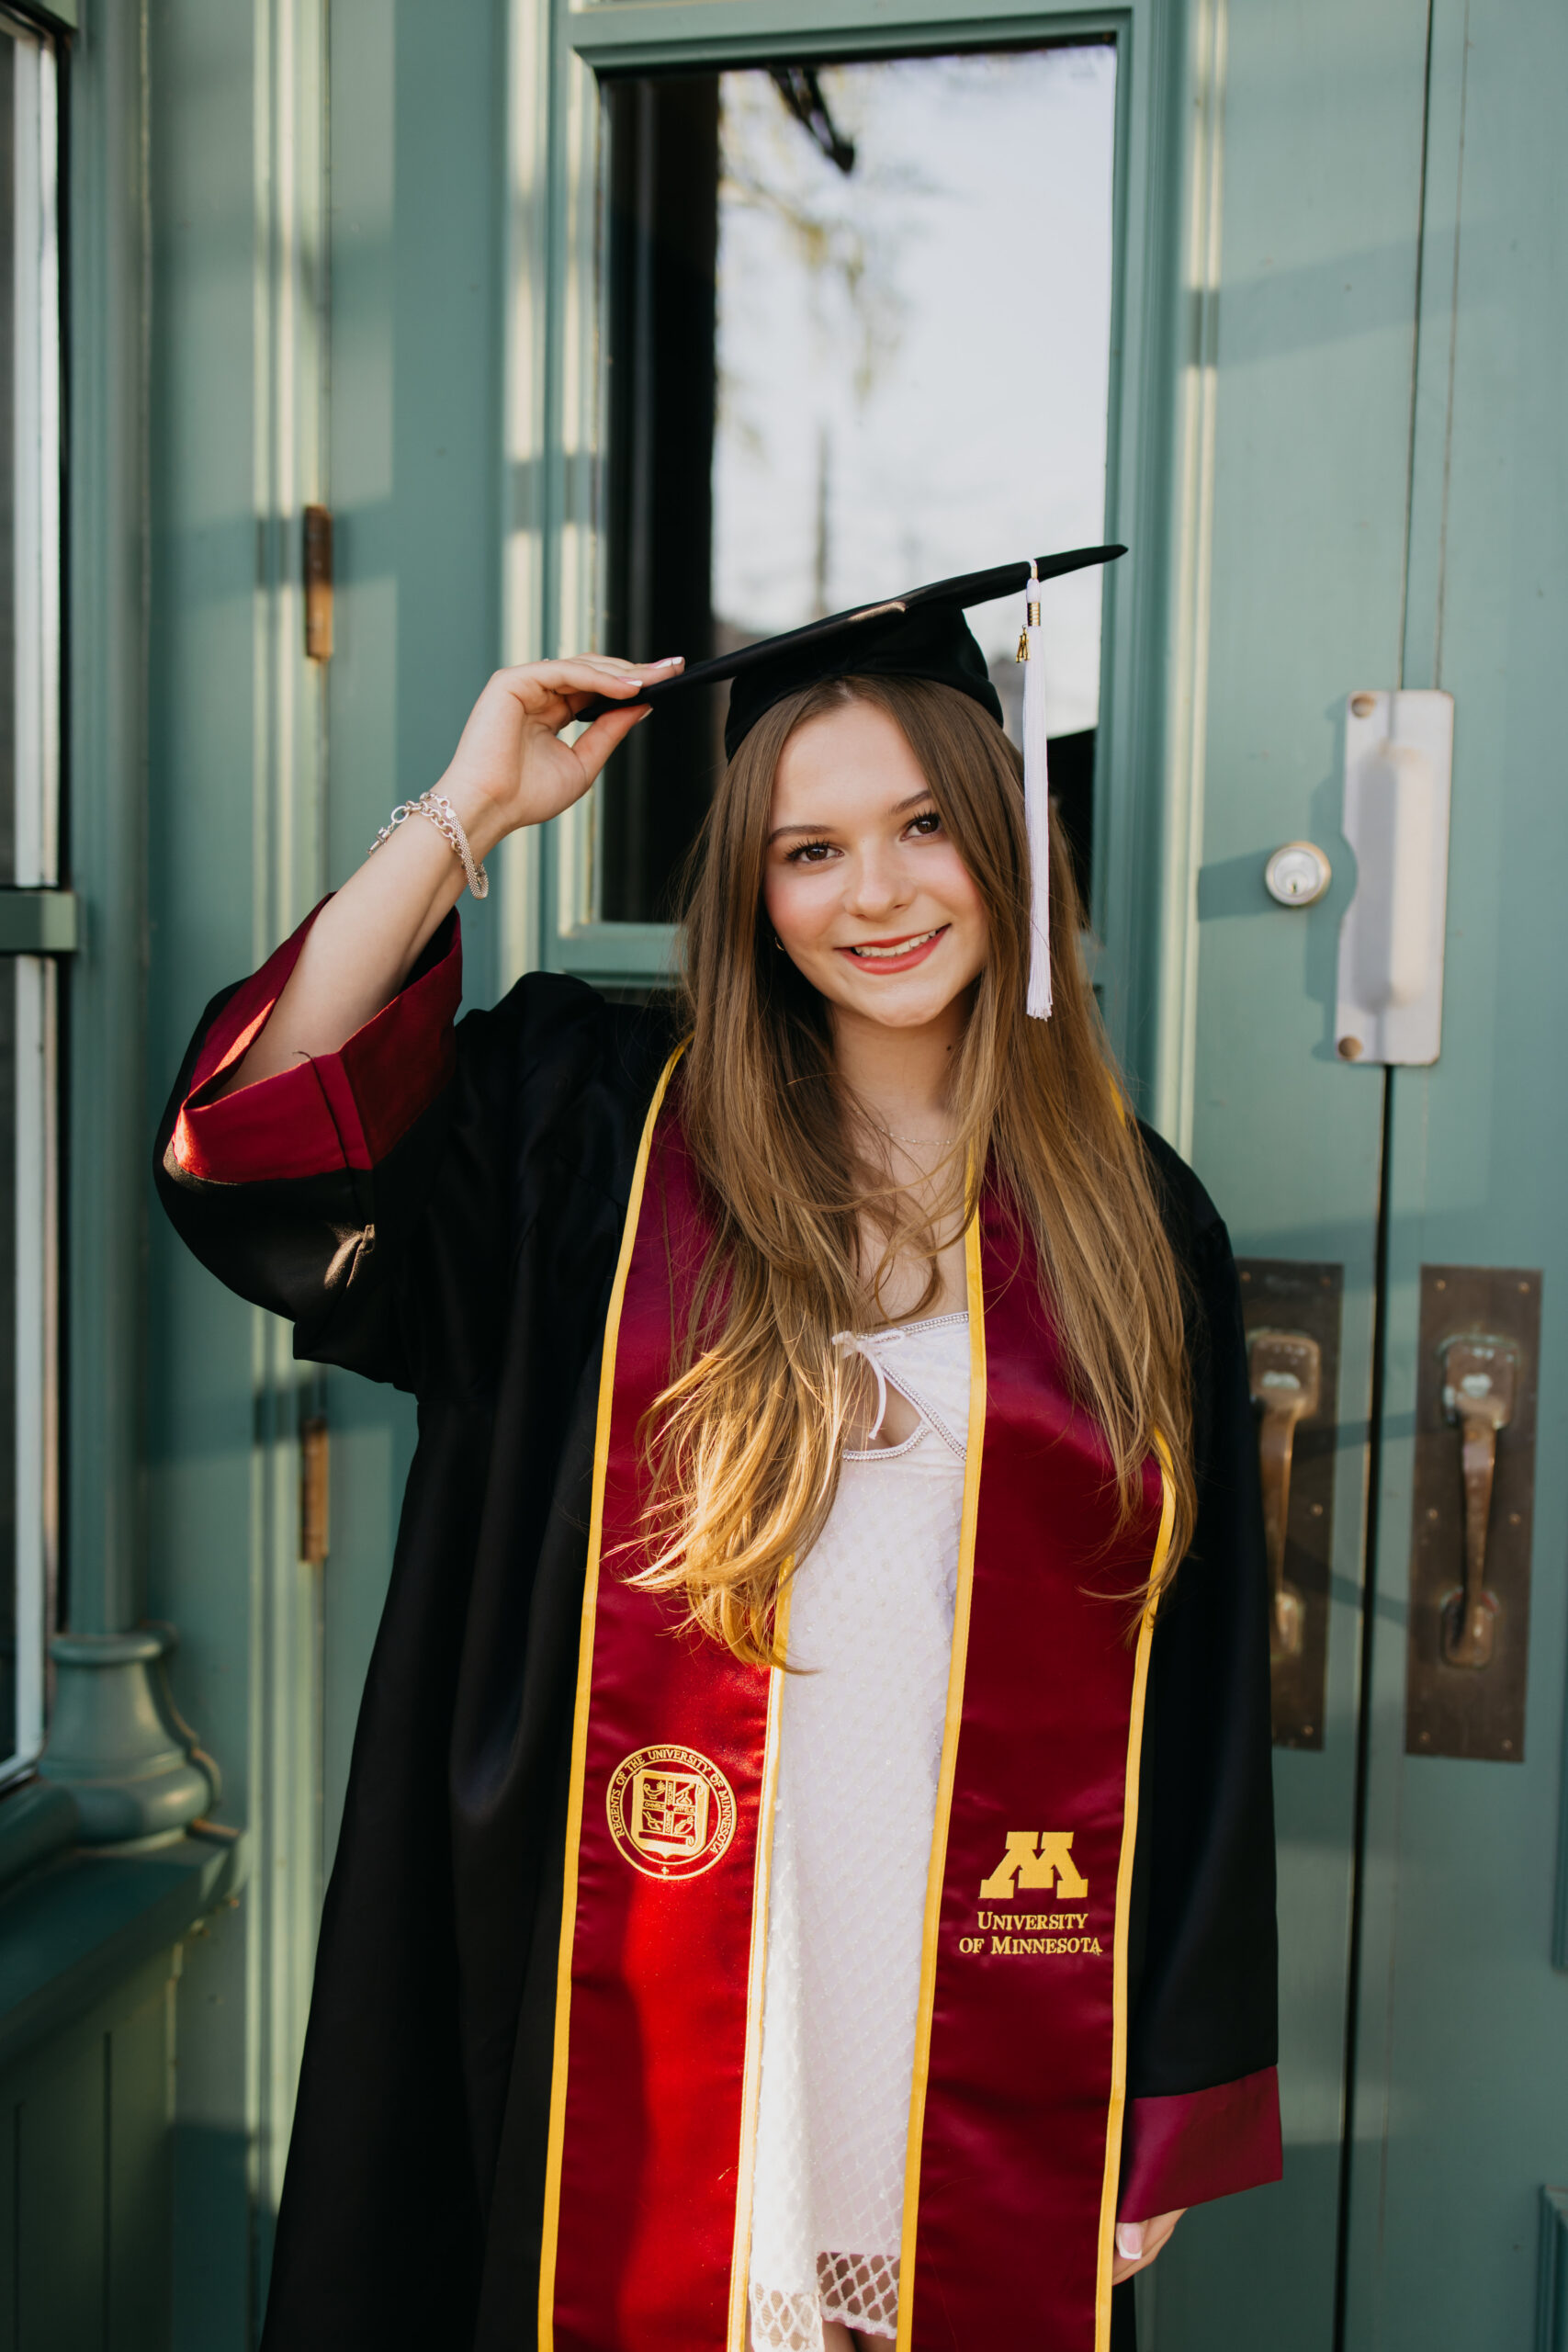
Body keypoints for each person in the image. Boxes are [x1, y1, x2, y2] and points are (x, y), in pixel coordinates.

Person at [156, 554, 1280, 2352]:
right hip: (636, 1969)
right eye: (808, 848)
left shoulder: (1131, 1215)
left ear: (1007, 836)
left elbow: (1200, 1672)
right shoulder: (587, 1131)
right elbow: (265, 1155)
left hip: (970, 1990)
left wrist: (1168, 2075)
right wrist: (466, 811)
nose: (877, 891)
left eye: (922, 822)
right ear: (750, 892)